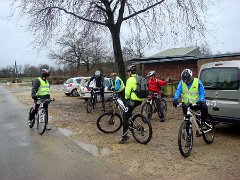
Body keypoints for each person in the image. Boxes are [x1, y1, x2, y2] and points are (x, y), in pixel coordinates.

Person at [119, 65, 145, 144]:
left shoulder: (130, 79)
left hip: (133, 100)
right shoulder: (140, 78)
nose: (127, 73)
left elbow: (127, 92)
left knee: (125, 117)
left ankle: (125, 136)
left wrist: (126, 98)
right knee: (128, 111)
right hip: (140, 100)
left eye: (128, 72)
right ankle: (131, 121)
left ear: (130, 72)